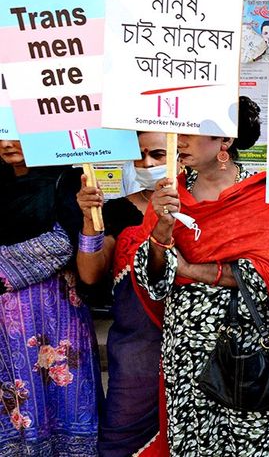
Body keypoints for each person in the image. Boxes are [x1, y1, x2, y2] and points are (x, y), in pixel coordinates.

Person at [134, 97, 269, 455]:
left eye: (191, 131)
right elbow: (150, 280)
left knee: (257, 442)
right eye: (176, 131)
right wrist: (162, 232)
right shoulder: (170, 196)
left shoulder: (264, 194)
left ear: (225, 142)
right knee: (196, 442)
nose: (178, 141)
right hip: (188, 348)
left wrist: (188, 269)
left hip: (250, 344)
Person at [0, 140, 98, 455]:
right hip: (5, 329)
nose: (5, 142)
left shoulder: (70, 182)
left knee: (68, 403)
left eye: (16, 130)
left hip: (59, 322)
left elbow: (67, 245)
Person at [74, 132, 168, 456]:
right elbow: (90, 274)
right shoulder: (117, 211)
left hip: (196, 351)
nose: (147, 163)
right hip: (136, 354)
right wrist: (90, 222)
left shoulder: (202, 210)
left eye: (158, 153)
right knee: (120, 440)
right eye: (139, 155)